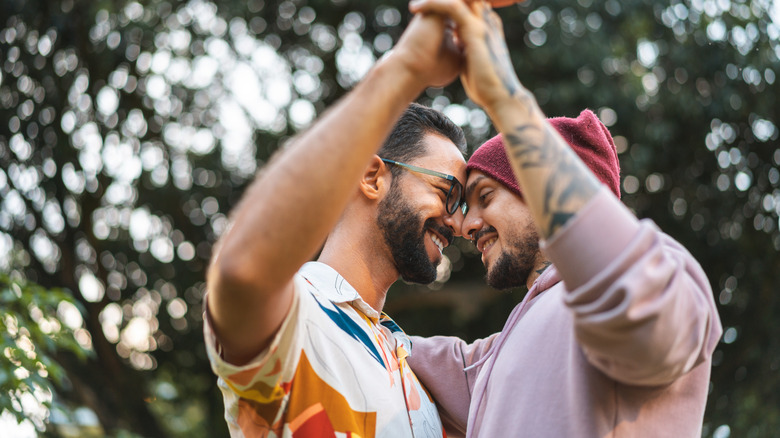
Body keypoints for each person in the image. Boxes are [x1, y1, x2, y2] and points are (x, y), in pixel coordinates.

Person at [405, 0, 723, 437]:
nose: (463, 224)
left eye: (485, 196)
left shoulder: (659, 283)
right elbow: (422, 358)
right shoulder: (500, 357)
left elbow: (624, 288)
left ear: (540, 192)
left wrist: (505, 96)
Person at [202, 11, 470, 438]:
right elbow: (242, 271)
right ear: (371, 176)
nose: (458, 222)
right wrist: (406, 66)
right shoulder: (298, 316)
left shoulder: (414, 368)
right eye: (447, 193)